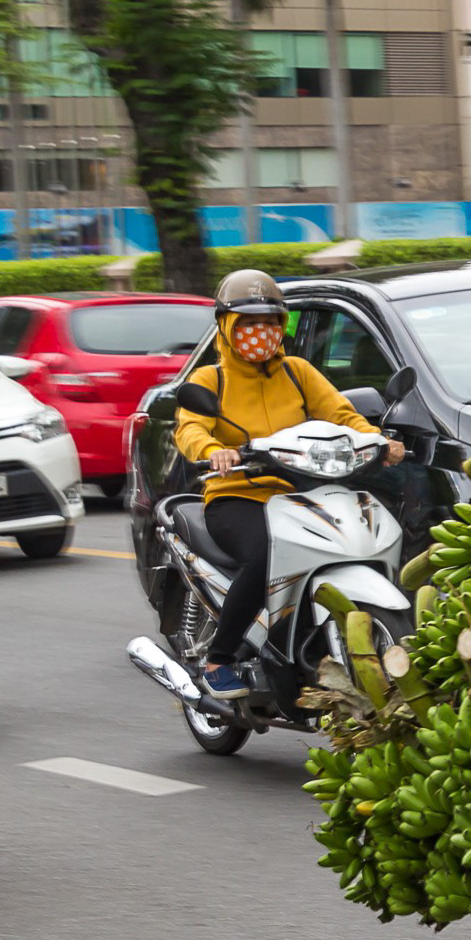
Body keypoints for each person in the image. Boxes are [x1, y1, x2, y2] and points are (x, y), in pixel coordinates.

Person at [175, 270, 404, 700]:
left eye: (269, 322)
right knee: (264, 556)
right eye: (246, 323)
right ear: (226, 326)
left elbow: (341, 414)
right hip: (238, 496)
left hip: (301, 495)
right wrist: (213, 450)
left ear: (282, 325)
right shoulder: (211, 380)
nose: (259, 333)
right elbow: (190, 429)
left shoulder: (298, 371)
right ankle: (219, 659)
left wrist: (377, 440)